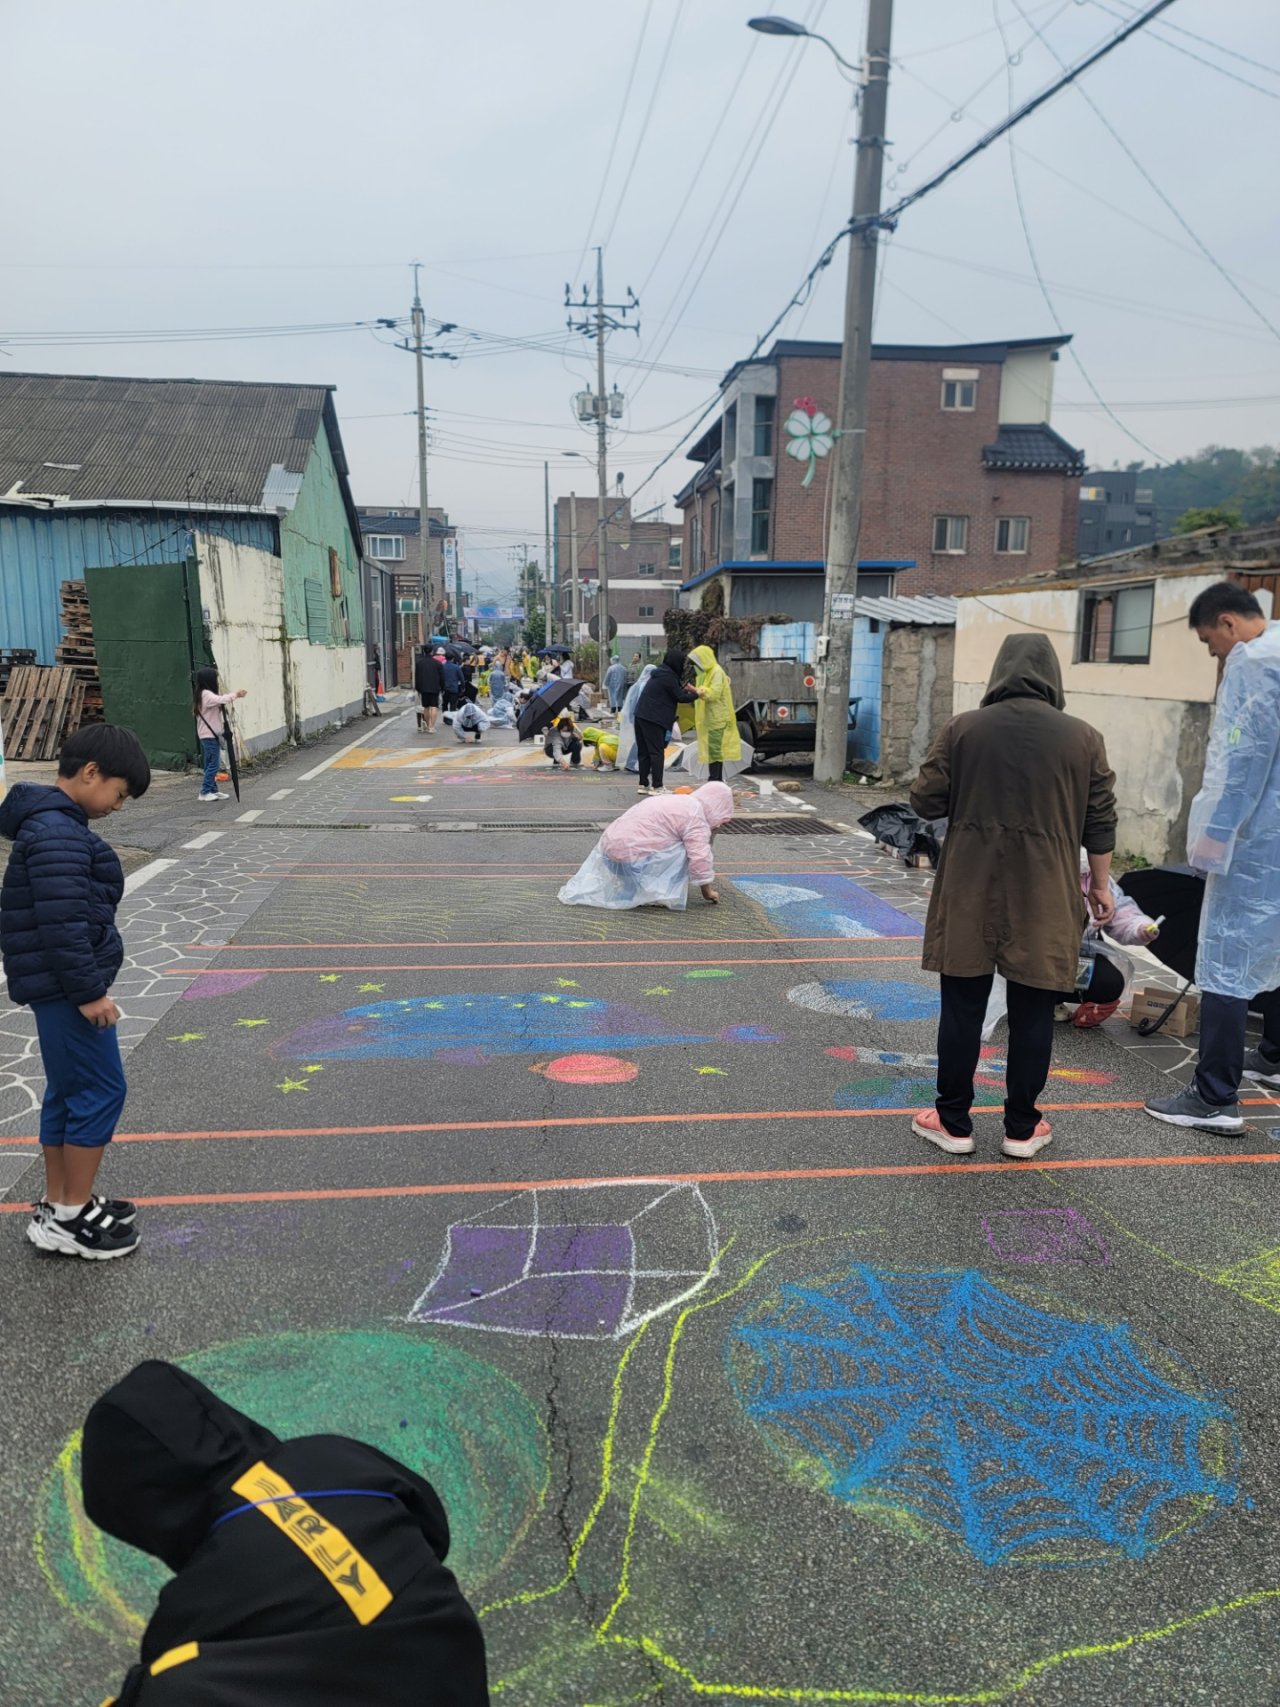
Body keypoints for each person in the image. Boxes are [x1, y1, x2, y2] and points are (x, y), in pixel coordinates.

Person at [82, 1359, 489, 1706]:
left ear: (148, 1513)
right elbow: (433, 1528)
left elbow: (173, 1683)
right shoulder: (333, 1455)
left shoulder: (190, 1607)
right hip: (455, 1660)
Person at [909, 633, 1117, 1161]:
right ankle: (1022, 1127)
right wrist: (1100, 886)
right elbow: (1100, 821)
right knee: (1033, 1010)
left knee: (962, 1007)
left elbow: (925, 800)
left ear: (999, 672)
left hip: (970, 885)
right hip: (1045, 891)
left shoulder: (964, 729)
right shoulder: (1084, 738)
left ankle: (952, 1122)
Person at [0, 724, 151, 1258]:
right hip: (68, 990)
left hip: (56, 986)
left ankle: (62, 1202)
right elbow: (62, 924)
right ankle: (70, 1216)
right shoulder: (58, 833)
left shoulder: (51, 824)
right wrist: (89, 993)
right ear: (91, 773)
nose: (117, 806)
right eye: (119, 793)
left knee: (68, 1093)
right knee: (100, 1090)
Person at [1146, 582, 1280, 1132]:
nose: (1214, 654)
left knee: (1227, 957)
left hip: (1256, 843)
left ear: (1228, 622)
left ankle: (1214, 1097)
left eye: (1209, 642)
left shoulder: (1255, 663)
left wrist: (1212, 841)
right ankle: (1274, 1054)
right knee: (1273, 946)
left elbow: (1242, 761)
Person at [558, 781, 734, 910]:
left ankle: (631, 886)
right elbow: (700, 857)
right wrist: (707, 891)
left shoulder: (679, 801)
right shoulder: (696, 817)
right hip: (633, 862)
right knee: (685, 849)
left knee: (664, 840)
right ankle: (652, 889)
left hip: (608, 855)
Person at [634, 648, 700, 796]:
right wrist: (697, 694)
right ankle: (657, 786)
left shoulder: (660, 673)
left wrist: (685, 691)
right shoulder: (669, 677)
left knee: (644, 752)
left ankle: (643, 784)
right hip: (653, 718)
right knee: (656, 752)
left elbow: (673, 692)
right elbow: (680, 697)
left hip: (640, 715)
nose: (683, 666)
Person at [688, 645, 742, 782]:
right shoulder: (709, 673)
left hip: (718, 719)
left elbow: (713, 694)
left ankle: (715, 779)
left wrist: (696, 690)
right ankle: (715, 779)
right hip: (712, 719)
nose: (697, 666)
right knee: (714, 751)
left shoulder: (716, 672)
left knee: (715, 751)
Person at [193, 667, 247, 801]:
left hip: (209, 734)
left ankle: (212, 790)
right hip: (209, 735)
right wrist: (236, 695)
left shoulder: (202, 693)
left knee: (209, 764)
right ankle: (204, 792)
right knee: (214, 765)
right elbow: (220, 700)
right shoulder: (206, 694)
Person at [617, 664, 656, 774]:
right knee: (642, 741)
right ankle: (632, 763)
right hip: (640, 717)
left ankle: (635, 763)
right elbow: (634, 703)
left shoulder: (639, 685)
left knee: (641, 740)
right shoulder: (641, 685)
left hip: (638, 717)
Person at [414, 648, 446, 733]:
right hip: (435, 687)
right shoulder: (438, 663)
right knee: (434, 707)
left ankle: (428, 726)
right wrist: (442, 687)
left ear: (424, 651)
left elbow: (417, 676)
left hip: (423, 688)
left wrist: (418, 688)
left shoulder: (419, 663)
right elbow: (442, 677)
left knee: (426, 707)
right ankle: (432, 727)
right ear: (432, 651)